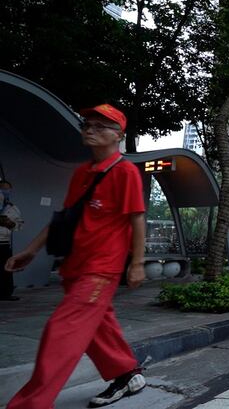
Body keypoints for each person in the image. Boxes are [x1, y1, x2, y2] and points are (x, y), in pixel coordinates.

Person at [5, 104, 147, 408]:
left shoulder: (125, 173)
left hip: (101, 269)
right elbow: (64, 218)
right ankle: (124, 373)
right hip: (74, 266)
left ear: (118, 134)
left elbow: (137, 219)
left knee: (61, 333)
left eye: (100, 125)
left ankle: (30, 404)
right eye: (87, 124)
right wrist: (30, 251)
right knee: (97, 325)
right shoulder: (82, 173)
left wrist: (136, 264)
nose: (90, 130)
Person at [0, 179, 24, 301]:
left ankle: (6, 293)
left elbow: (19, 225)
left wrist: (10, 224)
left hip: (4, 242)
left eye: (7, 189)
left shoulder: (12, 208)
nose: (5, 191)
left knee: (6, 268)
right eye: (2, 189)